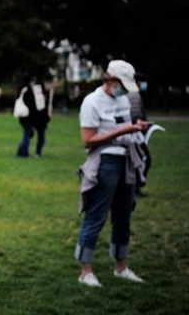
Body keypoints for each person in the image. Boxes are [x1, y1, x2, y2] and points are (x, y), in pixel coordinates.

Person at [75, 60, 149, 287]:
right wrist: (122, 130)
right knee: (96, 215)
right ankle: (86, 272)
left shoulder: (123, 100)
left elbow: (122, 126)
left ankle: (121, 267)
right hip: (104, 162)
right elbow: (88, 141)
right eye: (122, 84)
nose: (125, 90)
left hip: (125, 159)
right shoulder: (92, 102)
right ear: (111, 79)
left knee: (123, 216)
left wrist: (135, 127)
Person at [16, 78, 52, 158]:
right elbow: (43, 105)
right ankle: (37, 152)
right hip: (38, 116)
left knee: (27, 134)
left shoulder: (25, 89)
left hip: (28, 116)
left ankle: (23, 152)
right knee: (38, 135)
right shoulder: (39, 90)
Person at [128, 72, 151, 197]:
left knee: (139, 160)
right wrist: (142, 125)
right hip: (134, 133)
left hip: (134, 132)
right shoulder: (134, 95)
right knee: (144, 159)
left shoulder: (132, 94)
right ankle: (136, 186)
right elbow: (136, 115)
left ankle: (135, 187)